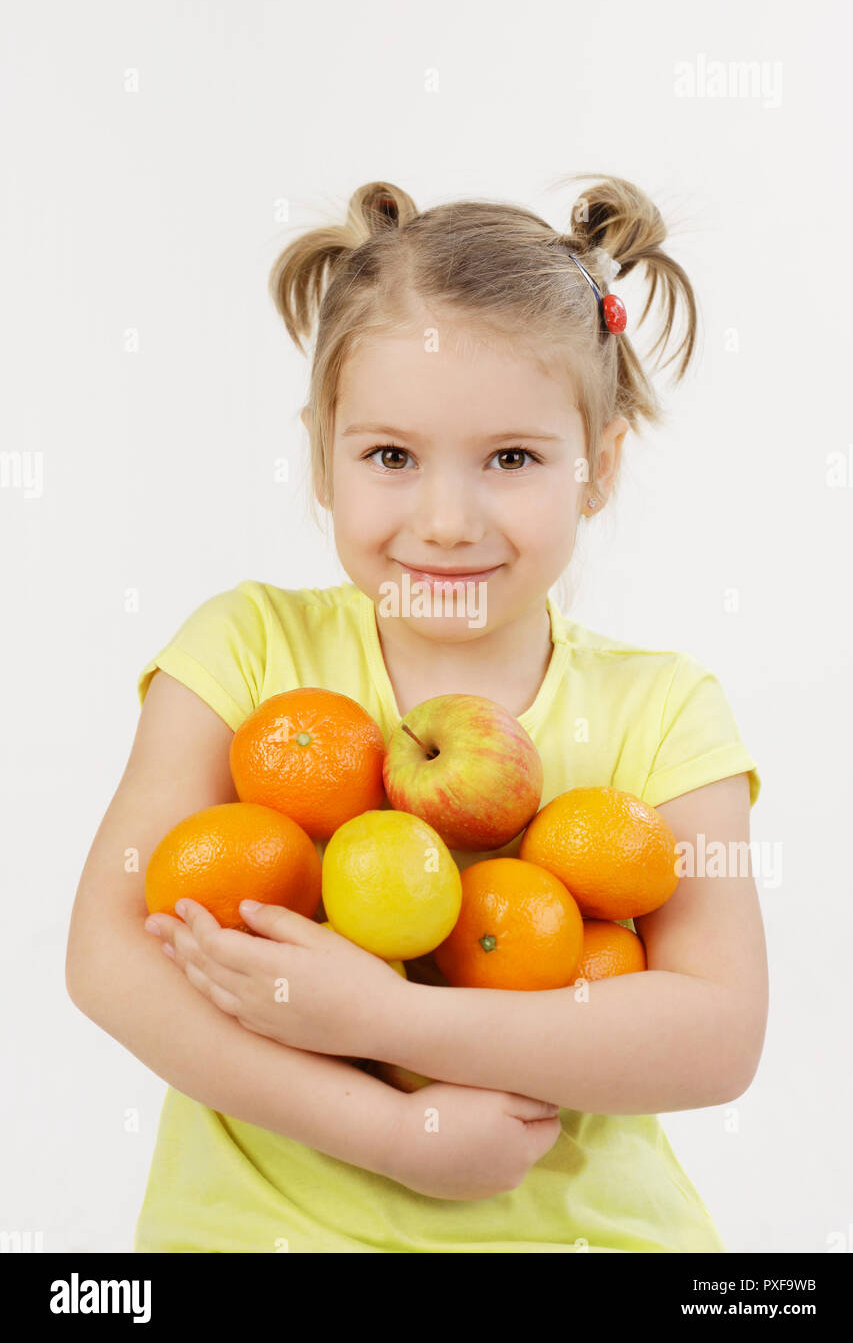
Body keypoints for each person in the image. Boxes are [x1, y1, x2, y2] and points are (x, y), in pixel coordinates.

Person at [68, 174, 767, 1252]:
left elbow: (716, 1034)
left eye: (512, 458)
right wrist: (391, 1133)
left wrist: (389, 1021)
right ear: (321, 453)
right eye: (390, 457)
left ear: (599, 466)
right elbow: (110, 954)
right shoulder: (245, 651)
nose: (445, 521)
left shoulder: (664, 711)